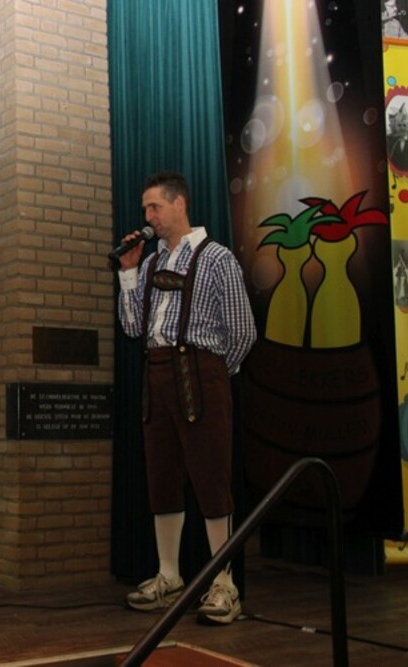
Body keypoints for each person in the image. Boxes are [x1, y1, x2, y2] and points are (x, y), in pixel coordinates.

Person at [116, 172, 256, 625]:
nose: (148, 216)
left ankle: (224, 583)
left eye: (154, 207)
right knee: (162, 476)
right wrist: (128, 272)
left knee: (211, 477)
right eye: (145, 208)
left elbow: (243, 332)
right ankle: (169, 575)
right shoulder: (152, 263)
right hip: (157, 375)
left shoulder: (216, 257)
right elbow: (133, 327)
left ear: (179, 205)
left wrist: (212, 374)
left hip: (201, 373)